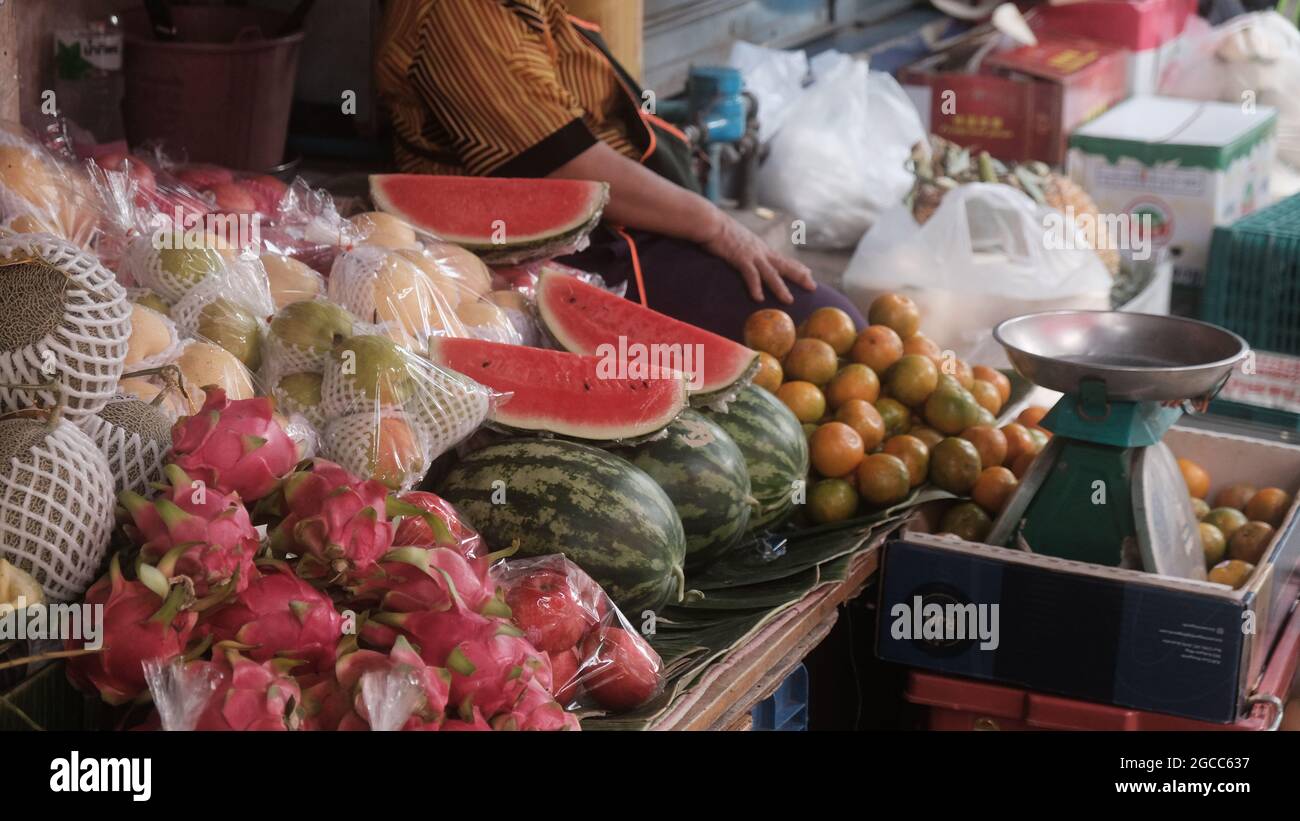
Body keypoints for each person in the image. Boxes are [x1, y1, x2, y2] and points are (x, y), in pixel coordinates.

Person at [375, 0, 866, 341]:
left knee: (833, 329)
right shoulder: (460, 13)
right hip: (553, 249)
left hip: (602, 219)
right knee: (818, 322)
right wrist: (717, 225)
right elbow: (564, 168)